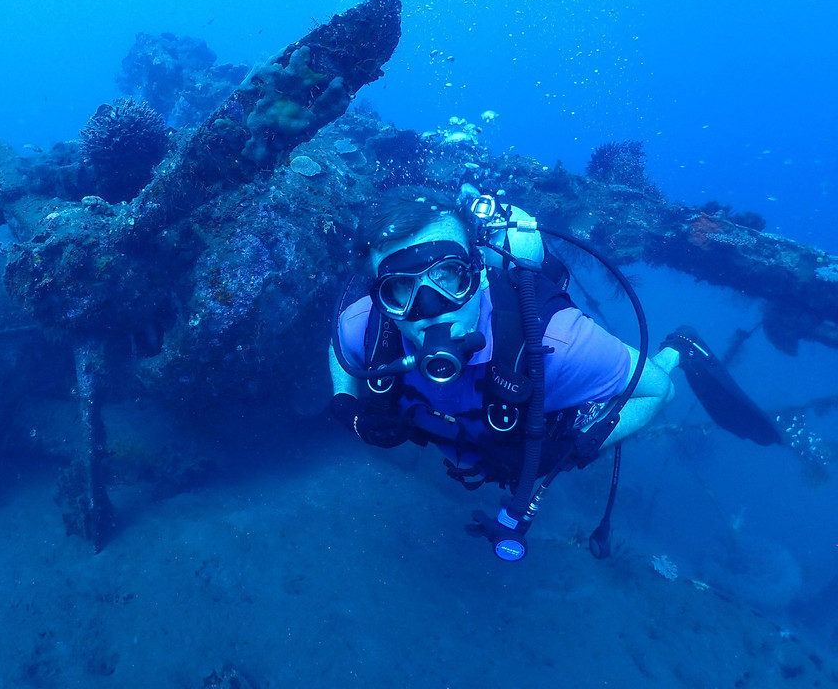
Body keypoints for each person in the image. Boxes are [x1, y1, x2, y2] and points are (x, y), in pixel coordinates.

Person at [329, 185, 780, 560]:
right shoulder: (364, 326)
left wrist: (573, 449)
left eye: (449, 277)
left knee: (642, 378)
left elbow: (656, 392)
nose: (429, 311)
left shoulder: (558, 345)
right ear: (380, 298)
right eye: (401, 289)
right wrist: (347, 406)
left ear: (479, 272)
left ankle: (678, 348)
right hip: (472, 438)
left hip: (548, 403)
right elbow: (339, 347)